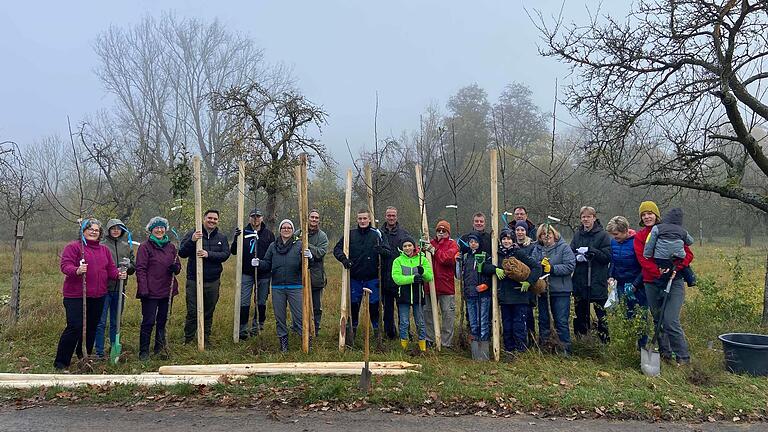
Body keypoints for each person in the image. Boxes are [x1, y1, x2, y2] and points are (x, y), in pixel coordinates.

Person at [55, 218, 126, 370]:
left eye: (96, 230)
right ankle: (61, 363)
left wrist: (119, 274)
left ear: (100, 233)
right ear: (83, 231)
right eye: (90, 229)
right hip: (76, 296)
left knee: (92, 327)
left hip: (98, 295)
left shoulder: (104, 250)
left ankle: (84, 356)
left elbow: (111, 269)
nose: (93, 232)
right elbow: (65, 265)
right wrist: (77, 270)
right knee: (75, 327)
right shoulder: (74, 247)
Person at [634, 201, 694, 365]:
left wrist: (677, 267)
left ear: (656, 215)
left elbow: (688, 255)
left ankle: (683, 357)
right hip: (651, 282)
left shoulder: (672, 231)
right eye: (643, 214)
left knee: (670, 320)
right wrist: (656, 271)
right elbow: (642, 258)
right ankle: (665, 353)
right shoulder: (640, 236)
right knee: (657, 319)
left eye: (650, 213)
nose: (647, 217)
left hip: (674, 280)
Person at [333, 208, 391, 346]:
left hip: (373, 278)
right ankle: (351, 338)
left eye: (365, 218)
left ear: (369, 219)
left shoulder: (377, 234)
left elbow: (388, 253)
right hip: (355, 278)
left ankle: (378, 337)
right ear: (357, 220)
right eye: (360, 219)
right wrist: (344, 259)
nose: (362, 221)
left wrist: (381, 250)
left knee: (374, 307)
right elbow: (336, 249)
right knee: (353, 307)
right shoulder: (350, 235)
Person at [483, 228, 542, 355]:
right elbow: (484, 267)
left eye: (509, 238)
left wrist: (529, 282)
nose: (506, 241)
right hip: (504, 296)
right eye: (504, 238)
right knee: (507, 325)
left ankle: (520, 350)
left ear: (513, 240)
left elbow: (537, 267)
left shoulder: (519, 254)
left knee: (519, 325)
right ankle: (509, 350)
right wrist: (495, 270)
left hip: (520, 296)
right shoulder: (496, 254)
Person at [178, 209, 231, 346]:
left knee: (209, 310)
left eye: (215, 219)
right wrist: (192, 240)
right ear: (204, 218)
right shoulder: (193, 234)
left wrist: (209, 254)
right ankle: (188, 339)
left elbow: (225, 255)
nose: (212, 221)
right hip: (194, 279)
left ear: (217, 221)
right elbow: (182, 253)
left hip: (212, 280)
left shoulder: (221, 237)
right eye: (209, 218)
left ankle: (205, 338)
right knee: (193, 310)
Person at [256, 219, 308, 352]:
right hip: (277, 287)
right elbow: (267, 263)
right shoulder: (273, 246)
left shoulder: (300, 245)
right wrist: (259, 263)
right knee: (280, 317)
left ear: (292, 230)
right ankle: (283, 342)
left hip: (295, 286)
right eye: (283, 227)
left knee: (299, 316)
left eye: (289, 227)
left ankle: (305, 340)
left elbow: (306, 266)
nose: (286, 229)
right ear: (280, 230)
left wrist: (309, 257)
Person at [135, 216, 181, 360]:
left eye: (162, 227)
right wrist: (143, 289)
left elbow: (178, 266)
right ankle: (144, 352)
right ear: (151, 230)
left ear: (165, 229)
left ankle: (159, 349)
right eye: (156, 227)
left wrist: (176, 268)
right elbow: (140, 269)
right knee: (148, 322)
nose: (160, 230)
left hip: (167, 290)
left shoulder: (171, 247)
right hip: (150, 292)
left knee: (162, 321)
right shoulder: (145, 247)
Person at [531, 224, 575, 355]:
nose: (546, 236)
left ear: (554, 234)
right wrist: (539, 265)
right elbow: (532, 265)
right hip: (544, 290)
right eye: (543, 234)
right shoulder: (537, 250)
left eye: (549, 233)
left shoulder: (563, 248)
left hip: (561, 291)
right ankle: (546, 348)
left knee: (561, 321)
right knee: (544, 320)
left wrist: (553, 268)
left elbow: (570, 265)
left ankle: (564, 350)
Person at [231, 209, 275, 339]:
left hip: (264, 274)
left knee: (261, 302)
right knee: (244, 301)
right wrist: (236, 238)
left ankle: (258, 327)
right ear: (249, 218)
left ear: (262, 218)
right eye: (253, 216)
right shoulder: (243, 233)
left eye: (258, 216)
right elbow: (233, 251)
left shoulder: (268, 234)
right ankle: (243, 329)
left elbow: (273, 252)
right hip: (246, 273)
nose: (255, 219)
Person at [95, 218, 135, 359]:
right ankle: (99, 351)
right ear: (109, 230)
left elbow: (133, 267)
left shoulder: (127, 246)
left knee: (115, 321)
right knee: (100, 321)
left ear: (122, 230)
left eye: (119, 228)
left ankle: (113, 348)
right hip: (104, 289)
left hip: (120, 289)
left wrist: (128, 267)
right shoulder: (102, 245)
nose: (116, 231)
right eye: (113, 228)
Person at [570, 206, 612, 343]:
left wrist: (591, 251)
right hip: (580, 280)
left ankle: (604, 341)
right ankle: (582, 340)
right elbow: (570, 252)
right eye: (583, 217)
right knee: (581, 312)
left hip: (597, 280)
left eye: (588, 216)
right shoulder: (577, 235)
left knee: (601, 314)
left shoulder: (603, 235)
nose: (586, 219)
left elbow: (607, 256)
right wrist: (577, 257)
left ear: (594, 218)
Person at [605, 215, 647, 348]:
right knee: (626, 316)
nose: (614, 237)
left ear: (625, 231)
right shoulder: (613, 243)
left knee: (640, 317)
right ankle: (629, 346)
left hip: (638, 286)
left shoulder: (637, 242)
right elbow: (613, 261)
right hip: (621, 285)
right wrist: (610, 275)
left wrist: (635, 284)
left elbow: (644, 266)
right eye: (612, 235)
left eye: (616, 234)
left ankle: (642, 347)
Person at [391, 236, 434, 353]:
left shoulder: (422, 259)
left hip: (418, 296)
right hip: (403, 296)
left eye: (409, 245)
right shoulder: (398, 261)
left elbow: (430, 277)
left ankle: (422, 347)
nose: (407, 248)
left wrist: (423, 272)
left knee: (420, 322)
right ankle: (404, 347)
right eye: (405, 246)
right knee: (404, 322)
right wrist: (413, 278)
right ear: (402, 248)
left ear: (414, 246)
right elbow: (397, 278)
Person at [423, 219, 459, 348]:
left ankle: (446, 343)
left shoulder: (452, 245)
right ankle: (430, 339)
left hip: (446, 287)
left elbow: (448, 259)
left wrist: (435, 251)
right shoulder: (429, 243)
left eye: (444, 231)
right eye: (439, 230)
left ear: (448, 232)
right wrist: (422, 248)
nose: (441, 233)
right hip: (429, 285)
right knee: (428, 313)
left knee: (448, 315)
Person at [379, 206, 412, 340]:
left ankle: (405, 333)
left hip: (400, 277)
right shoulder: (379, 233)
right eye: (389, 215)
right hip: (384, 276)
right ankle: (389, 333)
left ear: (396, 216)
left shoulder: (404, 234)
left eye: (393, 215)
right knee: (387, 308)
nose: (391, 218)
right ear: (385, 216)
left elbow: (410, 253)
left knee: (403, 308)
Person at [642, 208, 697, 286]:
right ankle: (692, 280)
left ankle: (660, 287)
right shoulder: (682, 230)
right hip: (678, 257)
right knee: (685, 267)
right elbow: (690, 241)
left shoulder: (657, 228)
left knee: (663, 272)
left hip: (661, 257)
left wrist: (647, 255)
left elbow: (650, 243)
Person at [295, 209, 328, 334]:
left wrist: (308, 246)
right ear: (308, 218)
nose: (314, 220)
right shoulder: (299, 233)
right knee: (299, 304)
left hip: (316, 276)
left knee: (316, 305)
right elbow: (292, 247)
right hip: (299, 274)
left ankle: (316, 328)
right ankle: (299, 327)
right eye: (312, 217)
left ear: (319, 220)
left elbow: (321, 252)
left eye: (316, 218)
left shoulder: (322, 236)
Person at [459, 233, 492, 361]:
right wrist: (458, 262)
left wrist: (486, 285)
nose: (473, 244)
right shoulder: (466, 257)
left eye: (475, 242)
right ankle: (475, 351)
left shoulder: (485, 256)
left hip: (483, 295)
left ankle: (483, 351)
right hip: (470, 294)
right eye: (471, 242)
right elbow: (459, 275)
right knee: (473, 323)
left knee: (483, 321)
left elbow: (490, 273)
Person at [512, 219, 538, 344]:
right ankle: (518, 341)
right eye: (517, 230)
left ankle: (531, 340)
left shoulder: (531, 247)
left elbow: (534, 266)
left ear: (526, 232)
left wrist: (529, 281)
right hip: (513, 286)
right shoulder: (511, 246)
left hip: (527, 287)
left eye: (522, 230)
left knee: (528, 315)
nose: (520, 232)